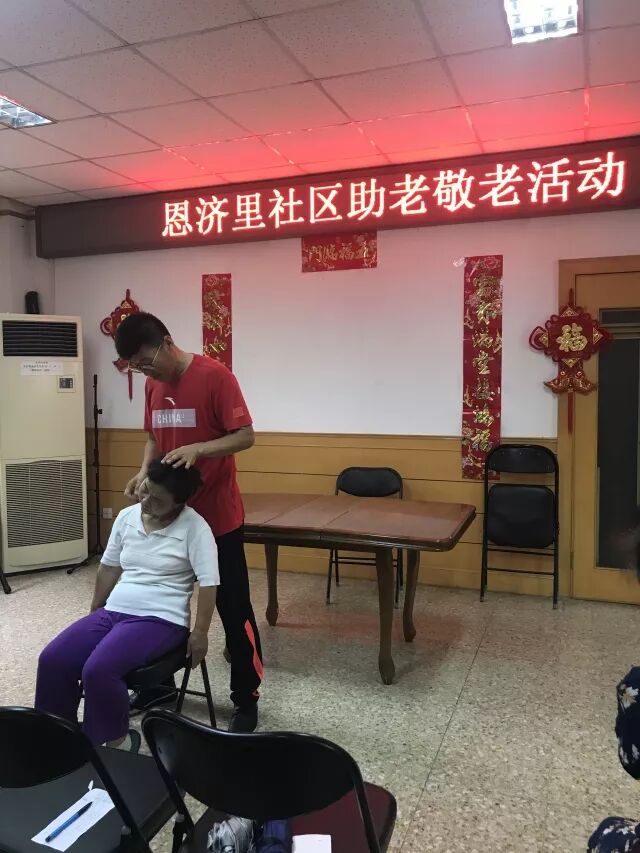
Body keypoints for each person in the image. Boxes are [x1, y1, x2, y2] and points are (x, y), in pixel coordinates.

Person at [114, 312, 263, 733]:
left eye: (146, 361)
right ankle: (159, 686)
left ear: (166, 342)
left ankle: (246, 698)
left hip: (217, 517)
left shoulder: (215, 376)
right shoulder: (152, 385)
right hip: (169, 519)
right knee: (159, 604)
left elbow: (246, 435)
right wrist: (144, 472)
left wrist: (200, 448)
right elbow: (153, 438)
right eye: (136, 367)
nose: (145, 371)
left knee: (234, 609)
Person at [35, 461, 218, 751]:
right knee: (54, 659)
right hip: (115, 611)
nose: (145, 501)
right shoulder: (127, 517)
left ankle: (115, 742)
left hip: (162, 618)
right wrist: (96, 609)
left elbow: (209, 583)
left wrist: (200, 633)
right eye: (146, 490)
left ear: (178, 503)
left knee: (99, 669)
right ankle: (55, 738)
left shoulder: (195, 527)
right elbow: (109, 567)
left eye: (157, 500)